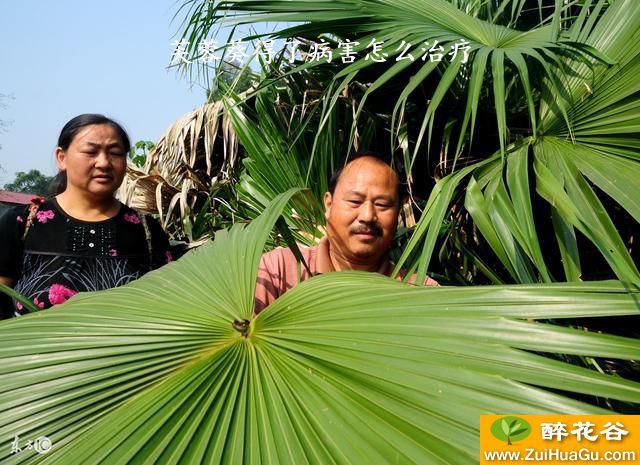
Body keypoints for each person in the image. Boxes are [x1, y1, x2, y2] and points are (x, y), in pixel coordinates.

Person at [0, 114, 172, 318]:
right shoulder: (21, 222)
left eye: (115, 153)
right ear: (61, 158)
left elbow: (167, 303)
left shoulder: (146, 230)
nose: (104, 163)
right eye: (91, 152)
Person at [255, 153, 438, 313]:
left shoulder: (423, 294)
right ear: (329, 204)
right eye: (354, 201)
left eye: (382, 204)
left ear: (398, 212)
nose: (367, 216)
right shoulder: (277, 272)